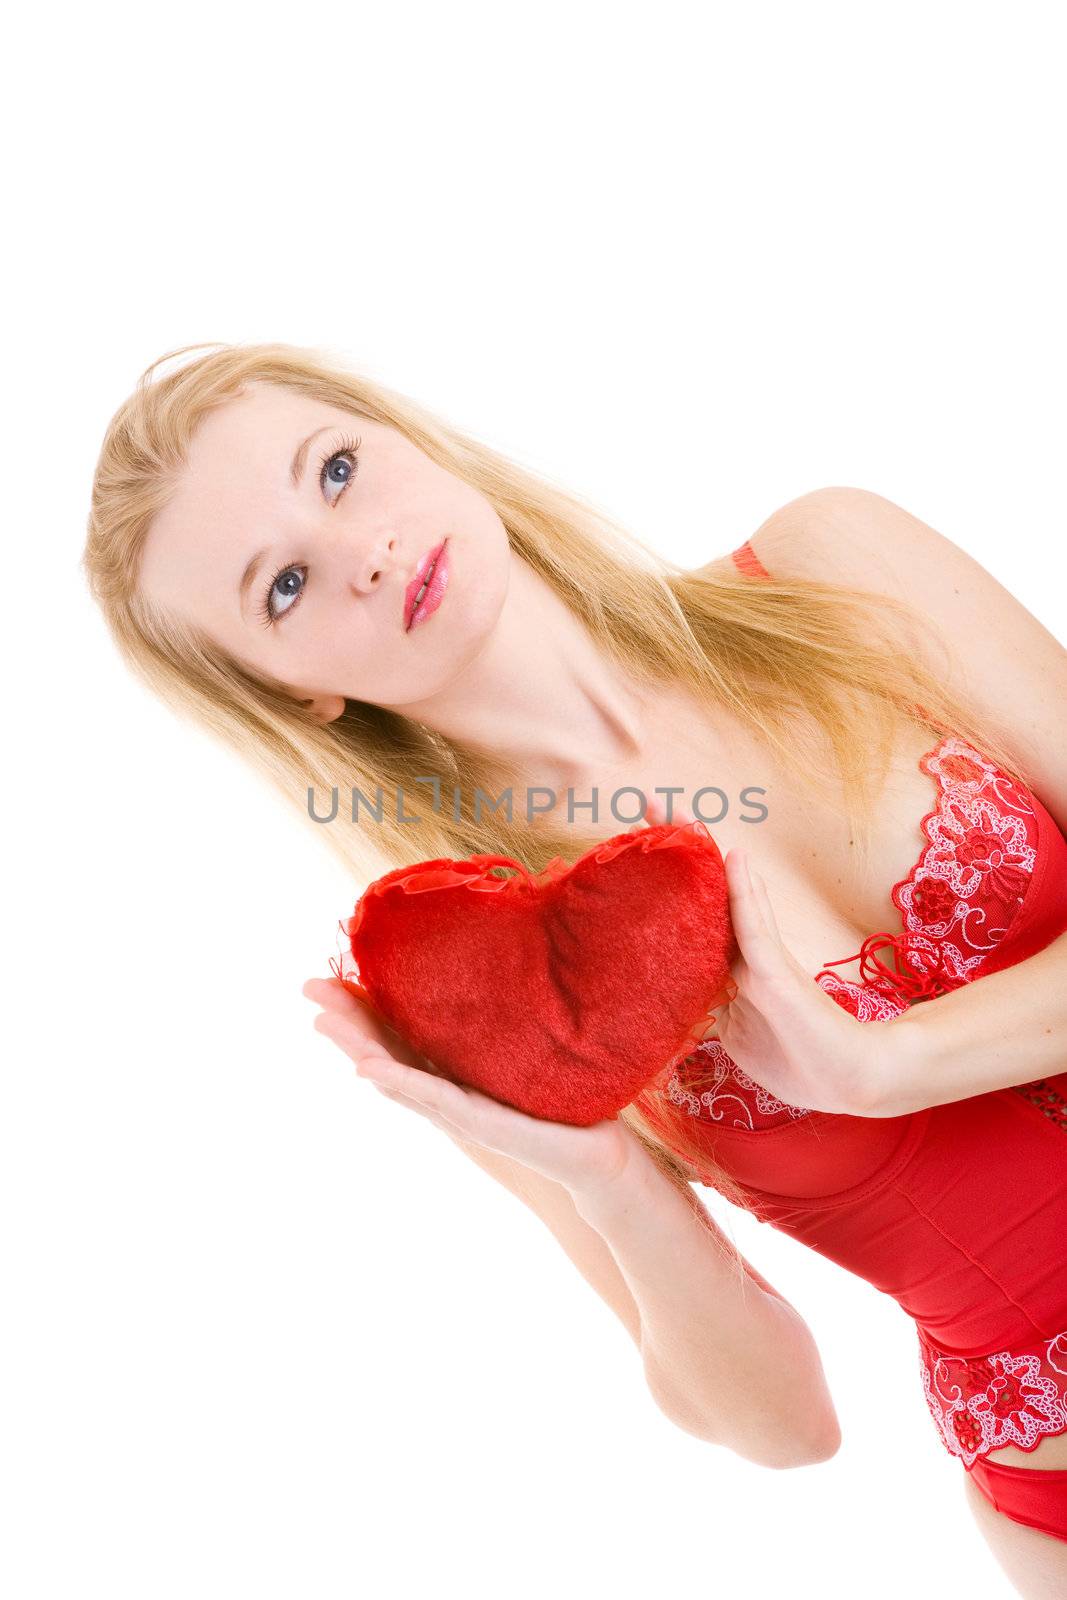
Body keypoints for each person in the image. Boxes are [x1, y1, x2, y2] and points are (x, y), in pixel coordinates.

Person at [82, 341, 1067, 1597]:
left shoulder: (835, 564)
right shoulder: (472, 989)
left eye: (335, 470)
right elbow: (782, 1426)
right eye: (284, 586)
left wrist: (890, 1064)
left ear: (410, 437)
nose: (364, 554)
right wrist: (602, 1176)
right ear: (292, 694)